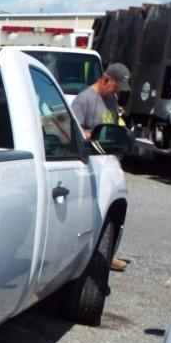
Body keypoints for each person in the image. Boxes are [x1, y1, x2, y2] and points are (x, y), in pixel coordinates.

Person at [71, 62, 132, 271]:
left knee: (112, 210)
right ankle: (90, 254)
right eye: (116, 86)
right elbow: (72, 132)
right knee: (95, 211)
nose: (117, 92)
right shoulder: (84, 99)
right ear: (106, 80)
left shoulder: (112, 99)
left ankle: (108, 252)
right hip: (92, 163)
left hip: (110, 161)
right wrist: (97, 136)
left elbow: (113, 124)